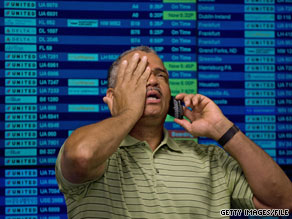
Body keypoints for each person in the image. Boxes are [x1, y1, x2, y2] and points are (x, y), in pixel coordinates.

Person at [55, 46, 292, 218]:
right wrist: (127, 111)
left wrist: (223, 130)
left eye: (161, 76)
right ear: (112, 96)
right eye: (138, 75)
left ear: (170, 98)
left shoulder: (211, 160)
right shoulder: (93, 151)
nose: (152, 81)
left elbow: (283, 204)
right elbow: (81, 155)